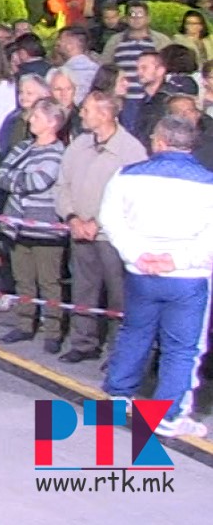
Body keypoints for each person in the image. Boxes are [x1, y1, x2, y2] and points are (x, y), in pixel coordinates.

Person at [98, 116, 213, 440]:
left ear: (159, 141)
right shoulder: (208, 182)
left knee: (135, 333)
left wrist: (136, 254)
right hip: (188, 277)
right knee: (182, 349)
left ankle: (117, 397)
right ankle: (168, 416)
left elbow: (110, 218)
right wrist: (177, 259)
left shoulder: (127, 176)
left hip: (141, 272)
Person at [53, 90, 145, 363]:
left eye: (87, 110)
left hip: (112, 238)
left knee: (119, 296)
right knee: (84, 289)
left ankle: (118, 351)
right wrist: (72, 218)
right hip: (79, 232)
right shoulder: (79, 145)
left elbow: (133, 197)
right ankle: (84, 342)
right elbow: (63, 185)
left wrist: (97, 223)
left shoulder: (131, 151)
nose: (81, 114)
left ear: (105, 114)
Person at [0, 99, 69, 350]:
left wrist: (15, 180)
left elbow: (39, 180)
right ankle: (25, 324)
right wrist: (17, 180)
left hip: (45, 228)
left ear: (52, 123)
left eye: (36, 117)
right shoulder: (23, 147)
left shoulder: (58, 152)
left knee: (49, 281)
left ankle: (53, 330)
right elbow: (0, 175)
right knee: (23, 279)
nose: (30, 120)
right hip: (17, 225)